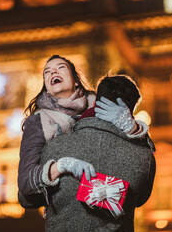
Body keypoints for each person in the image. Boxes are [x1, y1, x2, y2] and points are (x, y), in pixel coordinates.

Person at [18, 55, 149, 207]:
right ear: (46, 86)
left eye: (60, 68)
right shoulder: (38, 123)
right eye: (47, 72)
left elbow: (142, 160)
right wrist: (61, 167)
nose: (53, 72)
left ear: (75, 80)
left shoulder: (101, 104)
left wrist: (132, 127)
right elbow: (25, 185)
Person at [35, 75, 156, 232]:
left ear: (96, 102)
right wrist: (135, 130)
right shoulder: (143, 157)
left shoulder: (56, 145)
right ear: (130, 111)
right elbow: (141, 199)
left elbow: (27, 198)